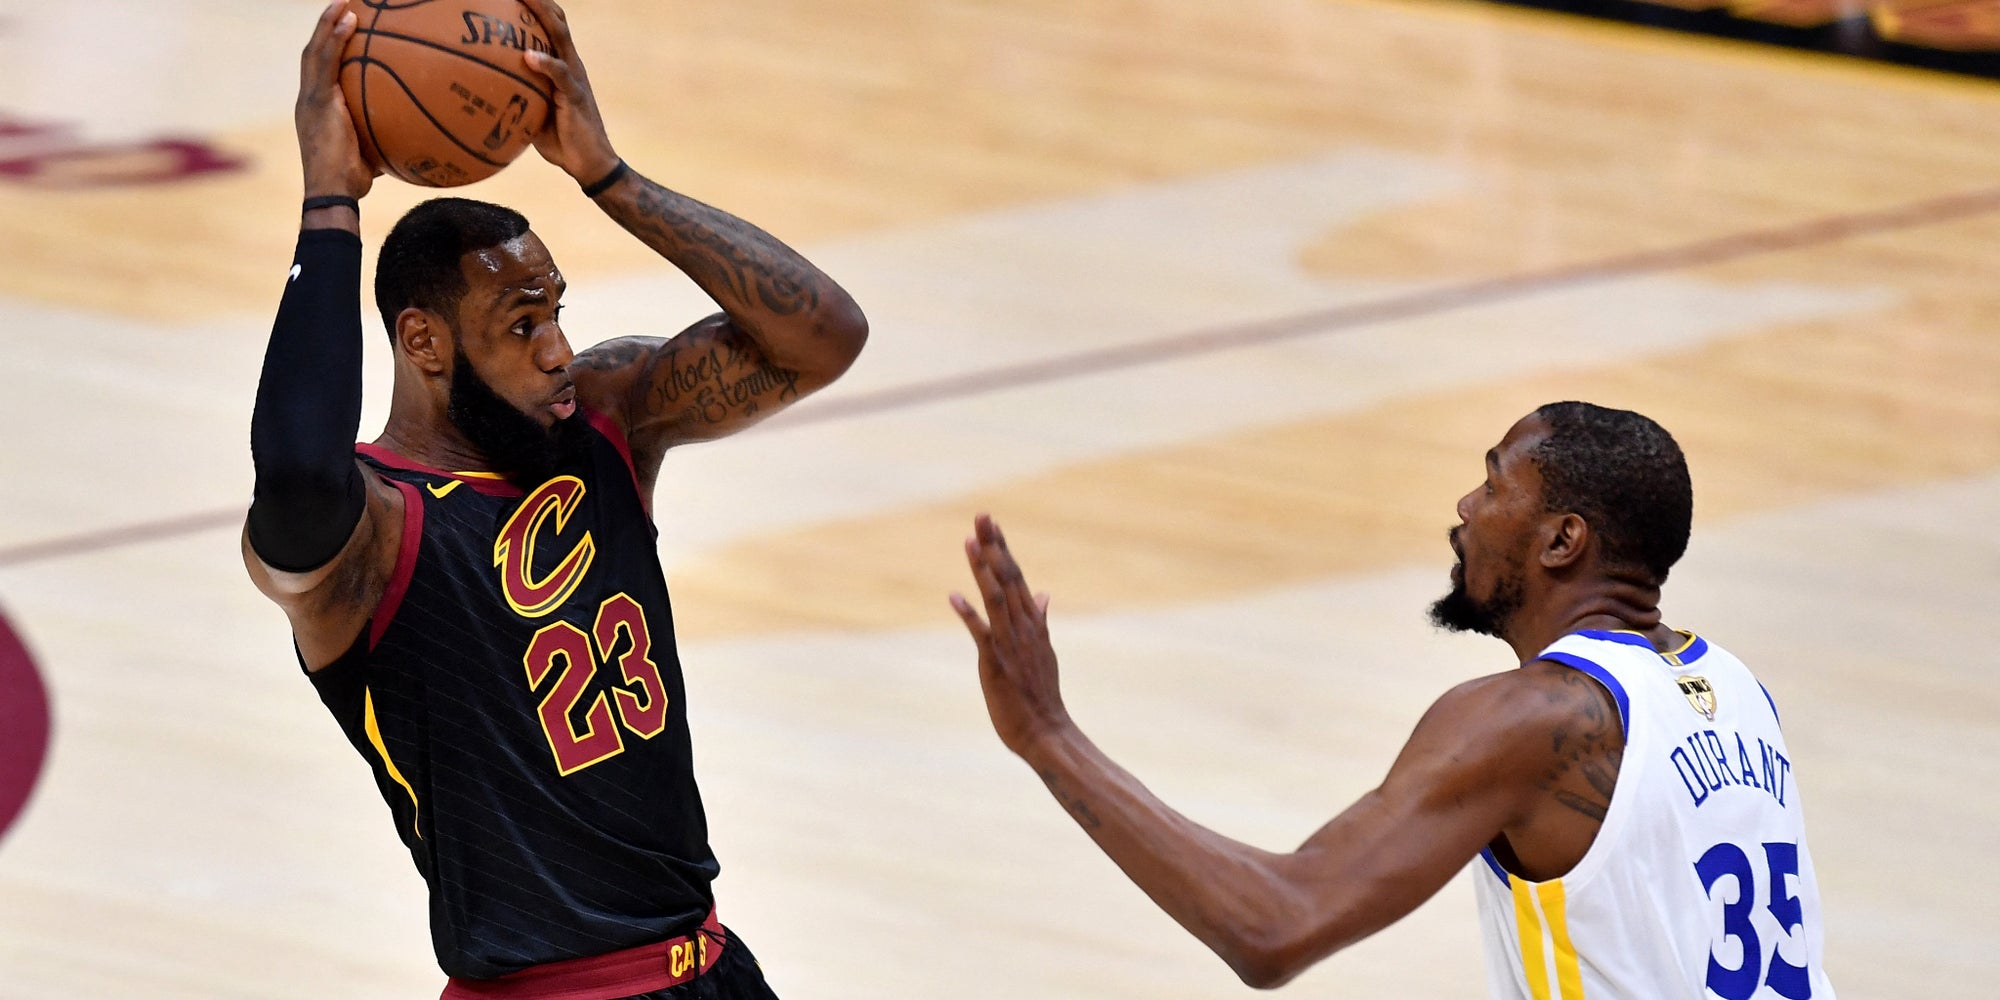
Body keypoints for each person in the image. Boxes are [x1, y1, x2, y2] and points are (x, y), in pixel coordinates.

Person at [242, 2, 865, 997]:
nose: (558, 349)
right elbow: (294, 468)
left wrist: (606, 175)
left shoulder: (605, 425)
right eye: (521, 322)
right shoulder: (370, 532)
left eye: (557, 311)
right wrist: (330, 201)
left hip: (709, 965)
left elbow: (822, 333)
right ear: (424, 342)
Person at [950, 402, 1835, 998]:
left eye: (1493, 485)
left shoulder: (1537, 719)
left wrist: (1048, 735)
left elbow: (1276, 925)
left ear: (1563, 541)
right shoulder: (1731, 686)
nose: (1463, 506)